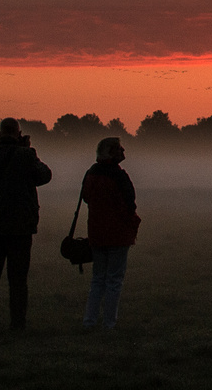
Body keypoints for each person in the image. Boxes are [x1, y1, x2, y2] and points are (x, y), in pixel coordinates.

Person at [0, 117, 52, 329]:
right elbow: (45, 176)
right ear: (18, 134)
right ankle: (17, 323)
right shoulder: (27, 155)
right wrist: (28, 149)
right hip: (21, 228)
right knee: (18, 280)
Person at [80, 136, 142, 329]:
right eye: (119, 149)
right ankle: (109, 323)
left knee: (98, 279)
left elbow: (86, 198)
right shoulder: (118, 176)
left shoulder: (91, 174)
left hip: (97, 233)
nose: (123, 151)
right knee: (114, 280)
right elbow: (129, 203)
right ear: (111, 153)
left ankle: (89, 322)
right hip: (118, 234)